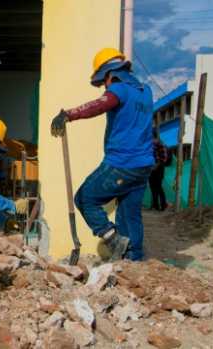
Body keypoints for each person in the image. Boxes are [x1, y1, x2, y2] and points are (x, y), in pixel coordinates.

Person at [50, 48, 154, 261]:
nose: (105, 86)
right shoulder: (146, 92)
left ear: (109, 74)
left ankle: (113, 240)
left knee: (85, 198)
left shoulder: (118, 89)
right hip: (143, 165)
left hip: (121, 163)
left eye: (103, 81)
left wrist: (68, 114)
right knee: (129, 213)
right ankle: (133, 259)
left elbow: (100, 105)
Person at [149, 132, 169, 211]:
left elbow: (164, 159)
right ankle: (155, 205)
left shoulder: (161, 145)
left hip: (159, 168)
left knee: (158, 187)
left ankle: (163, 205)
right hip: (151, 169)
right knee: (152, 187)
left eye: (151, 139)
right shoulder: (151, 146)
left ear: (155, 138)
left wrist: (156, 166)